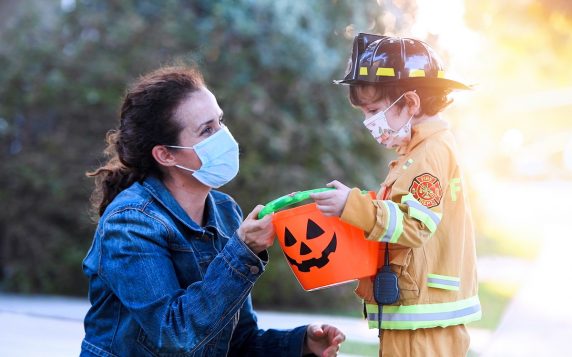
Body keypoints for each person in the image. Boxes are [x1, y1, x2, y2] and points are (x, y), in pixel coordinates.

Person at [81, 65, 345, 357]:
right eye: (206, 130)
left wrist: (301, 343)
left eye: (220, 122)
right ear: (165, 154)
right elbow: (176, 336)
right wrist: (242, 252)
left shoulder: (224, 210)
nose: (224, 137)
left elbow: (236, 341)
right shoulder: (130, 223)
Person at [310, 33, 481, 356]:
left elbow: (414, 226)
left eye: (373, 110)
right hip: (415, 313)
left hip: (423, 320)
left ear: (411, 103)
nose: (367, 122)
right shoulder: (416, 152)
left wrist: (353, 206)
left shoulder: (429, 153)